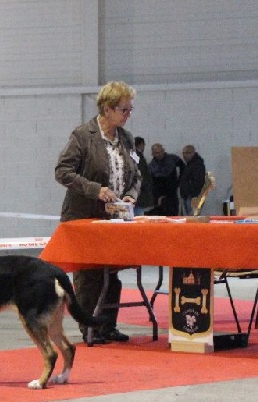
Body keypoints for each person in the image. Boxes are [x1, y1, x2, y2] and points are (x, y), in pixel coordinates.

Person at [55, 80, 141, 344]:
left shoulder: (126, 138)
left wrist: (131, 194)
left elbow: (137, 175)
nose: (128, 114)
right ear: (107, 108)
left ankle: (108, 325)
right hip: (84, 218)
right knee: (89, 277)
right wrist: (95, 190)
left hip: (114, 220)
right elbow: (62, 172)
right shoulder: (83, 136)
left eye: (130, 109)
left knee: (112, 276)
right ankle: (89, 328)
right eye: (124, 109)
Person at [149, 143, 184, 216]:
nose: (159, 154)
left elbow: (183, 167)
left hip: (172, 194)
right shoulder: (151, 166)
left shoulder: (173, 159)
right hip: (159, 195)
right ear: (152, 154)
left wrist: (180, 181)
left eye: (161, 151)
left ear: (163, 150)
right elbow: (152, 183)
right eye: (156, 153)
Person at [179, 145, 207, 216]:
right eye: (183, 153)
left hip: (193, 197)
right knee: (191, 217)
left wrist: (188, 191)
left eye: (187, 153)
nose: (185, 155)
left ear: (193, 153)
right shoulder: (189, 165)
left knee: (192, 217)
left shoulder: (197, 165)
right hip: (188, 196)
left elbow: (198, 182)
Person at [133, 136, 153, 216]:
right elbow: (141, 172)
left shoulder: (133, 155)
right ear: (141, 144)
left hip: (137, 190)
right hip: (140, 191)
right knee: (139, 214)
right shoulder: (138, 156)